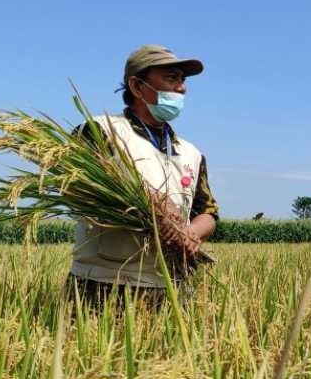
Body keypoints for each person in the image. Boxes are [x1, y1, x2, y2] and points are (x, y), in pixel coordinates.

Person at [67, 44, 219, 310]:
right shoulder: (101, 131)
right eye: (171, 78)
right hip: (104, 284)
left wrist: (189, 234)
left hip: (169, 286)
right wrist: (152, 205)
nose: (181, 88)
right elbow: (71, 189)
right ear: (137, 87)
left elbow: (208, 212)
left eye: (182, 80)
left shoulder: (191, 153)